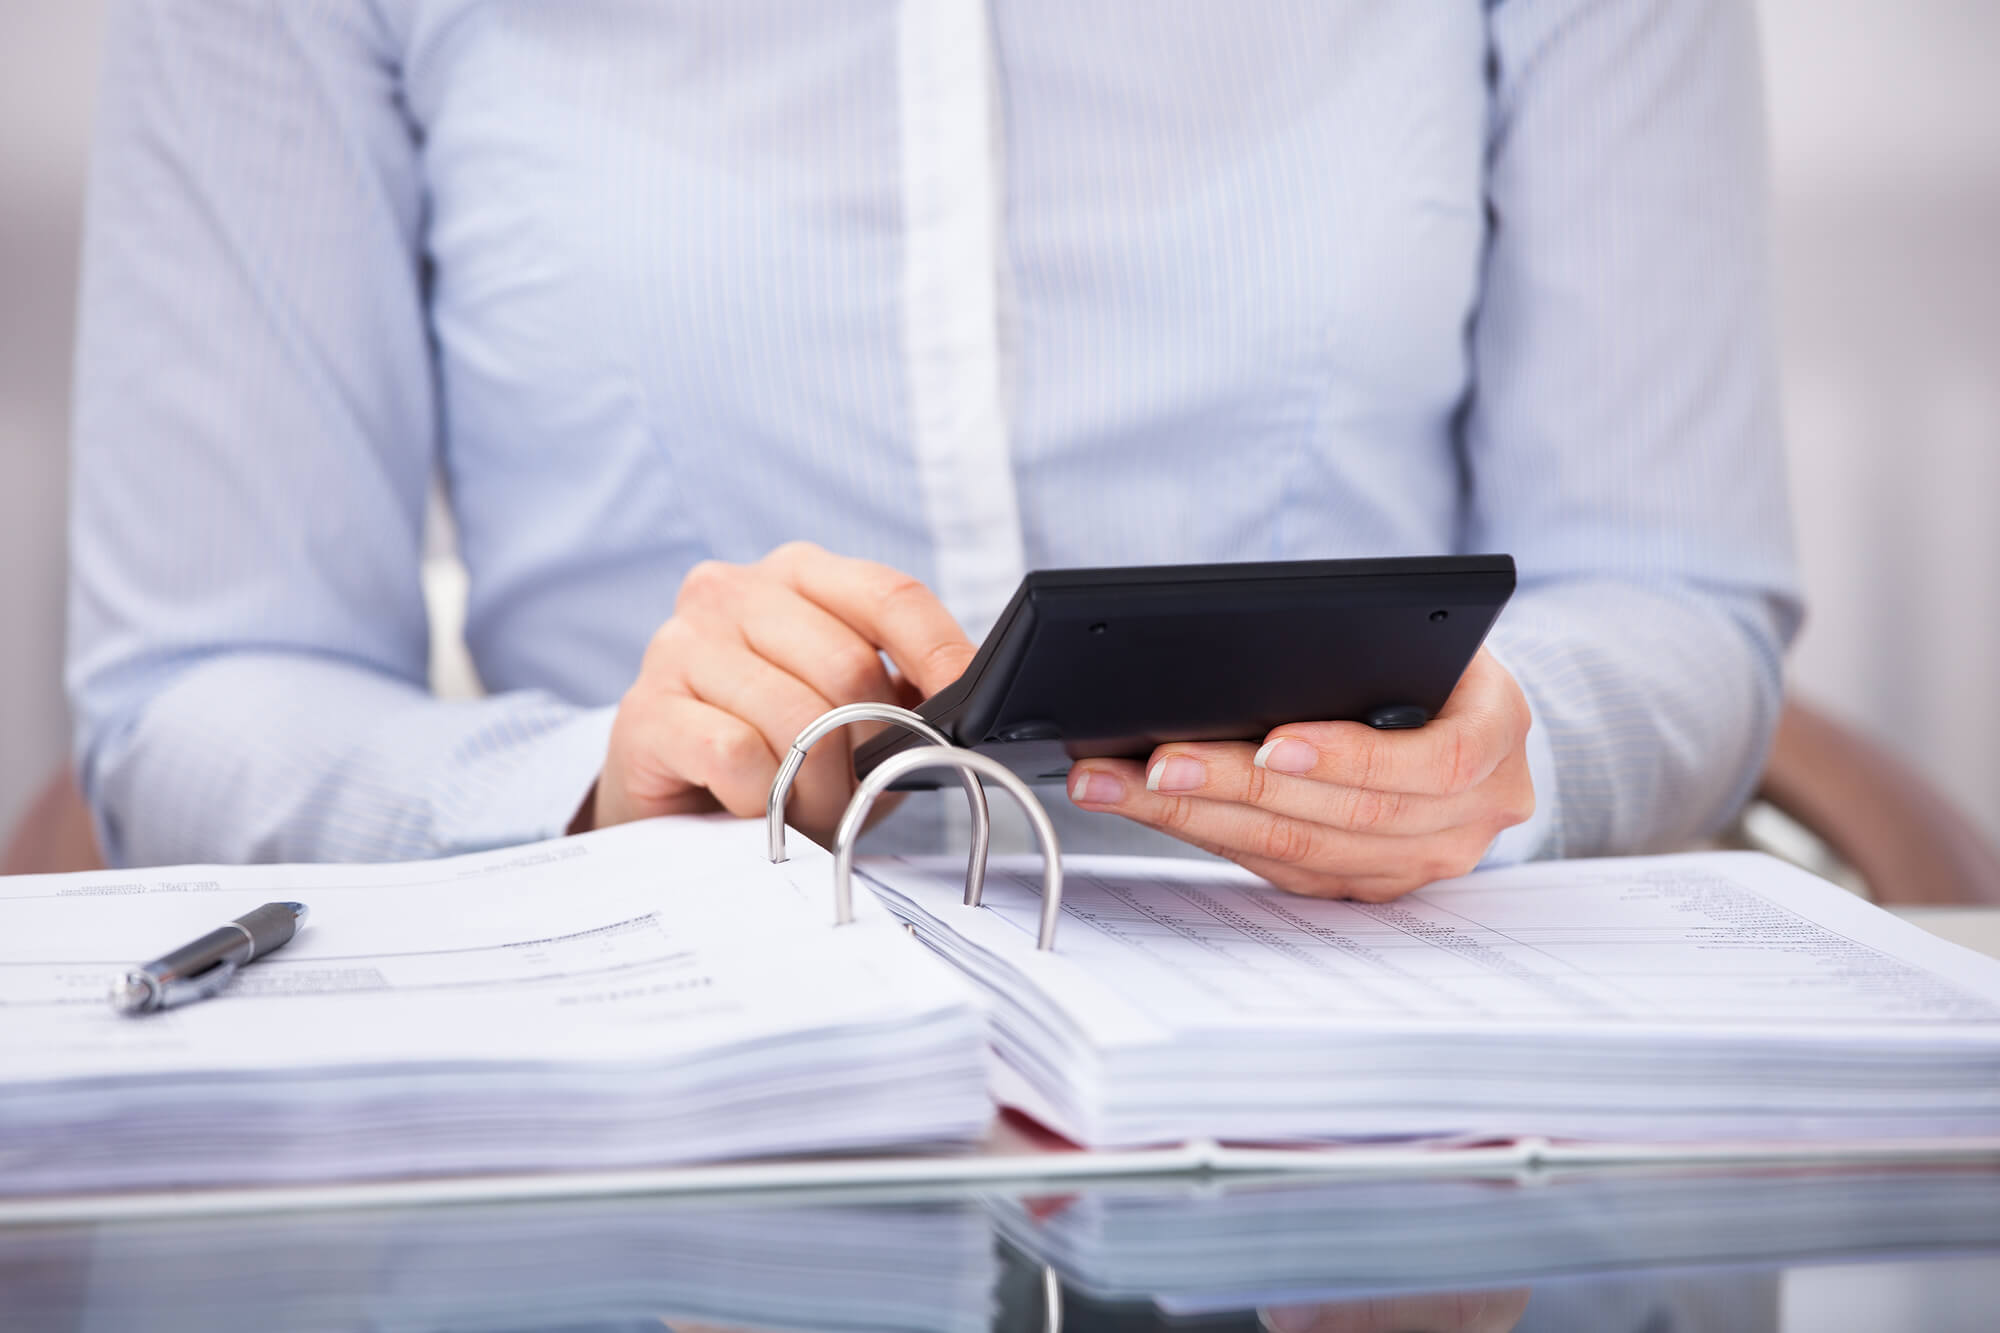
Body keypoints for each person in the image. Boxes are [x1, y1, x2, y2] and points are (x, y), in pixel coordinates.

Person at [67, 0, 1800, 899]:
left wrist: (1513, 750)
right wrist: (590, 790)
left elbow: (1674, 581)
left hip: (1391, 1100)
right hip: (667, 1123)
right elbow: (210, 673)